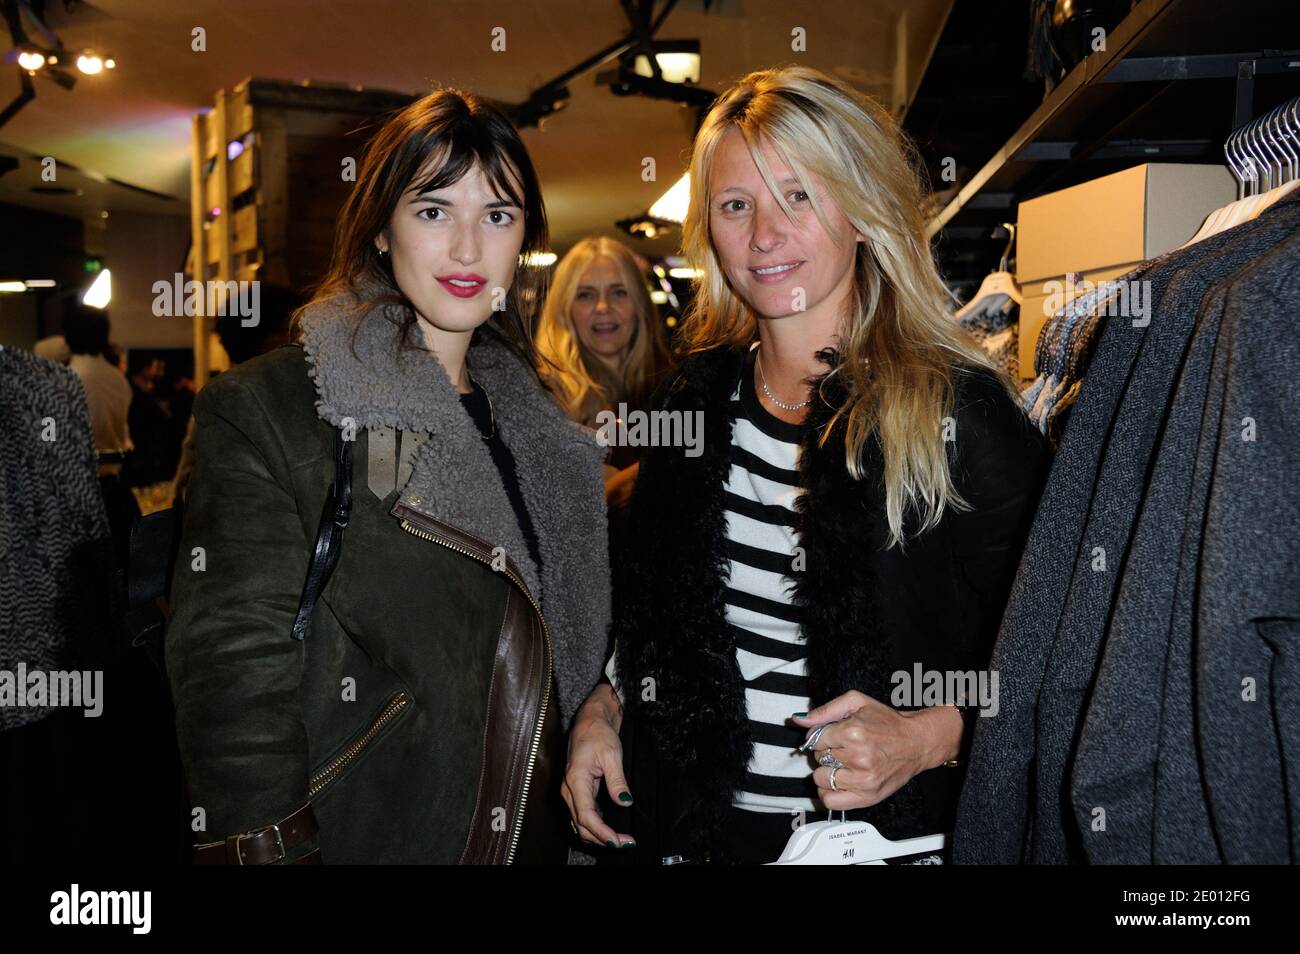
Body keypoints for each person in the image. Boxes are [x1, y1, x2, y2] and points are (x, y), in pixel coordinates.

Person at [563, 65, 1051, 864]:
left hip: (889, 844)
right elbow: (654, 624)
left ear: (861, 211)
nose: (764, 235)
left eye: (798, 195)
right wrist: (604, 709)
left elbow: (1066, 648)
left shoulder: (954, 413)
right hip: (697, 838)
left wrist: (930, 735)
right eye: (735, 205)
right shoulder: (693, 404)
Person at [166, 86, 611, 864]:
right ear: (379, 228)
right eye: (434, 211)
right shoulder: (274, 409)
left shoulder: (547, 432)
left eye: (498, 216)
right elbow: (233, 676)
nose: (469, 251)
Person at [64, 304, 137, 564]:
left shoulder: (66, 379)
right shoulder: (117, 379)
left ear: (68, 337)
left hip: (76, 496)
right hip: (116, 494)